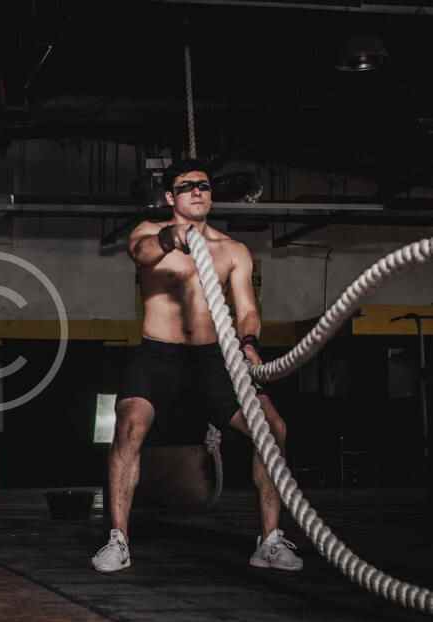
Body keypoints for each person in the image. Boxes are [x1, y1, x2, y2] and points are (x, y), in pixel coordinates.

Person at [92, 158, 302, 573]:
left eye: (203, 186)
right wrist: (174, 237)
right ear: (170, 197)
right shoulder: (150, 233)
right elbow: (142, 253)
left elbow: (247, 310)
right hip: (158, 354)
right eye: (186, 186)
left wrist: (248, 342)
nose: (197, 191)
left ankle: (269, 541)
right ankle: (118, 540)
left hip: (213, 358)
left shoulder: (233, 250)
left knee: (272, 429)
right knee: (129, 426)